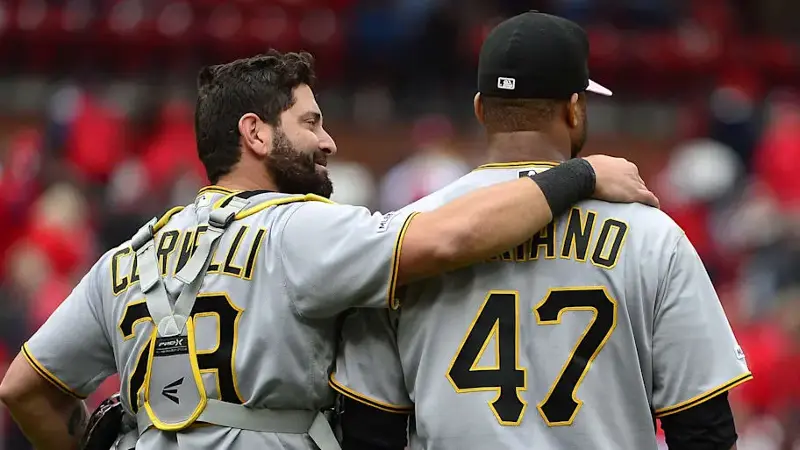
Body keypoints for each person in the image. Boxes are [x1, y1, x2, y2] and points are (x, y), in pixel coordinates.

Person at [0, 50, 656, 450]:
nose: (329, 141)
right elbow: (451, 236)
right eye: (311, 121)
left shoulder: (130, 254)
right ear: (254, 133)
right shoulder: (302, 231)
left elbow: (26, 390)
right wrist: (581, 175)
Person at [331, 12, 751, 450]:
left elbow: (370, 428)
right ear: (574, 108)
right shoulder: (652, 233)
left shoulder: (408, 238)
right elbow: (705, 429)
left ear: (480, 109)